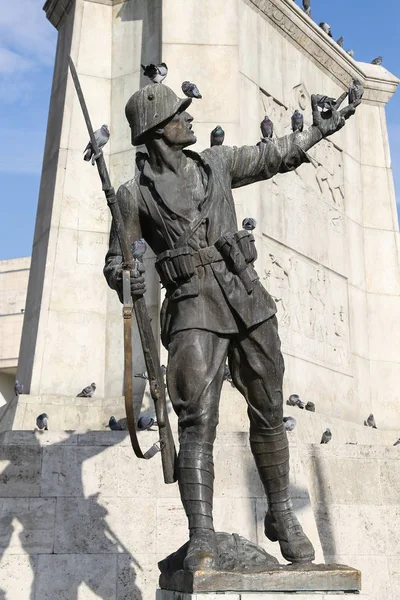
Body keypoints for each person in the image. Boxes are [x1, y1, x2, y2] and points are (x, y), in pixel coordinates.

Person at [104, 83, 359, 571]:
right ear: (158, 131)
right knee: (198, 421)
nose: (191, 119)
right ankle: (201, 535)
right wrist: (125, 273)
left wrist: (320, 131)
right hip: (191, 310)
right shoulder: (132, 196)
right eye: (181, 115)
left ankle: (281, 515)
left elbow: (269, 156)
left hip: (246, 298)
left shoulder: (215, 164)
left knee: (269, 407)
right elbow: (118, 261)